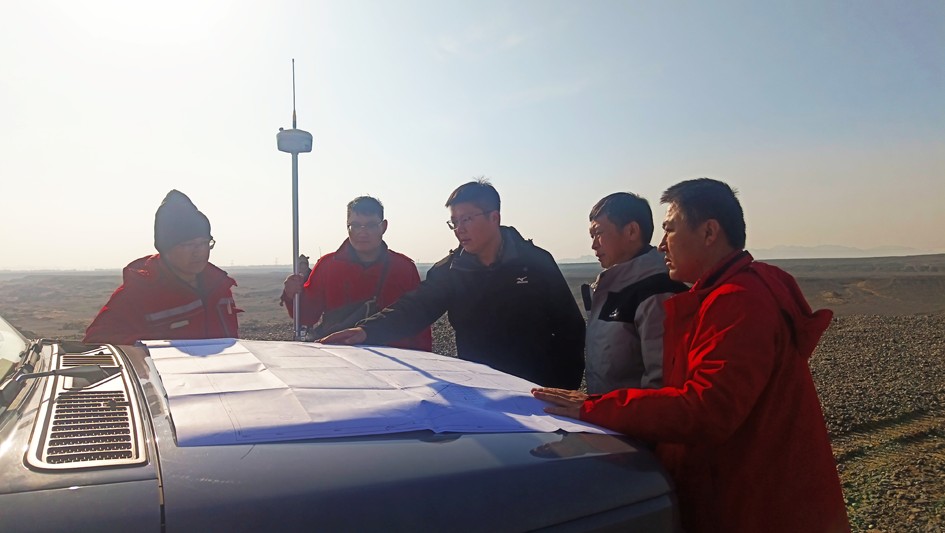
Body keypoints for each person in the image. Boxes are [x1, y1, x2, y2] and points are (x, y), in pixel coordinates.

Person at [532, 178, 849, 532]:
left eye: (670, 229)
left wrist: (595, 408)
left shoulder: (740, 301)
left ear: (709, 232)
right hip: (738, 491)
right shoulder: (720, 296)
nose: (661, 244)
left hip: (759, 505)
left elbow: (705, 409)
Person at [321, 179, 586, 389]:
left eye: (467, 219)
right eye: (455, 222)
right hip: (483, 390)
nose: (460, 229)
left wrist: (564, 387)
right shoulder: (450, 271)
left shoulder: (535, 263)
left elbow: (570, 328)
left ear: (494, 217)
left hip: (538, 389)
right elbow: (415, 308)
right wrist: (366, 331)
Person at [84, 190, 240, 344]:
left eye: (204, 243)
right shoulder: (140, 293)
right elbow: (96, 342)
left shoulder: (219, 286)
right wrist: (149, 349)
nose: (198, 252)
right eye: (188, 245)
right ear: (165, 249)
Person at [281, 196, 431, 351]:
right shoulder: (327, 266)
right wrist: (292, 295)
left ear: (384, 226)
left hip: (393, 358)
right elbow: (307, 316)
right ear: (347, 226)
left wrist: (424, 359)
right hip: (340, 355)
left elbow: (418, 320)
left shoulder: (404, 268)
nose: (362, 232)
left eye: (371, 225)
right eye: (356, 225)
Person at [583, 192, 687, 394]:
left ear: (631, 231)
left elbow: (661, 385)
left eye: (599, 233)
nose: (594, 244)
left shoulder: (657, 292)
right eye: (592, 236)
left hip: (631, 414)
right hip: (606, 411)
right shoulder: (614, 287)